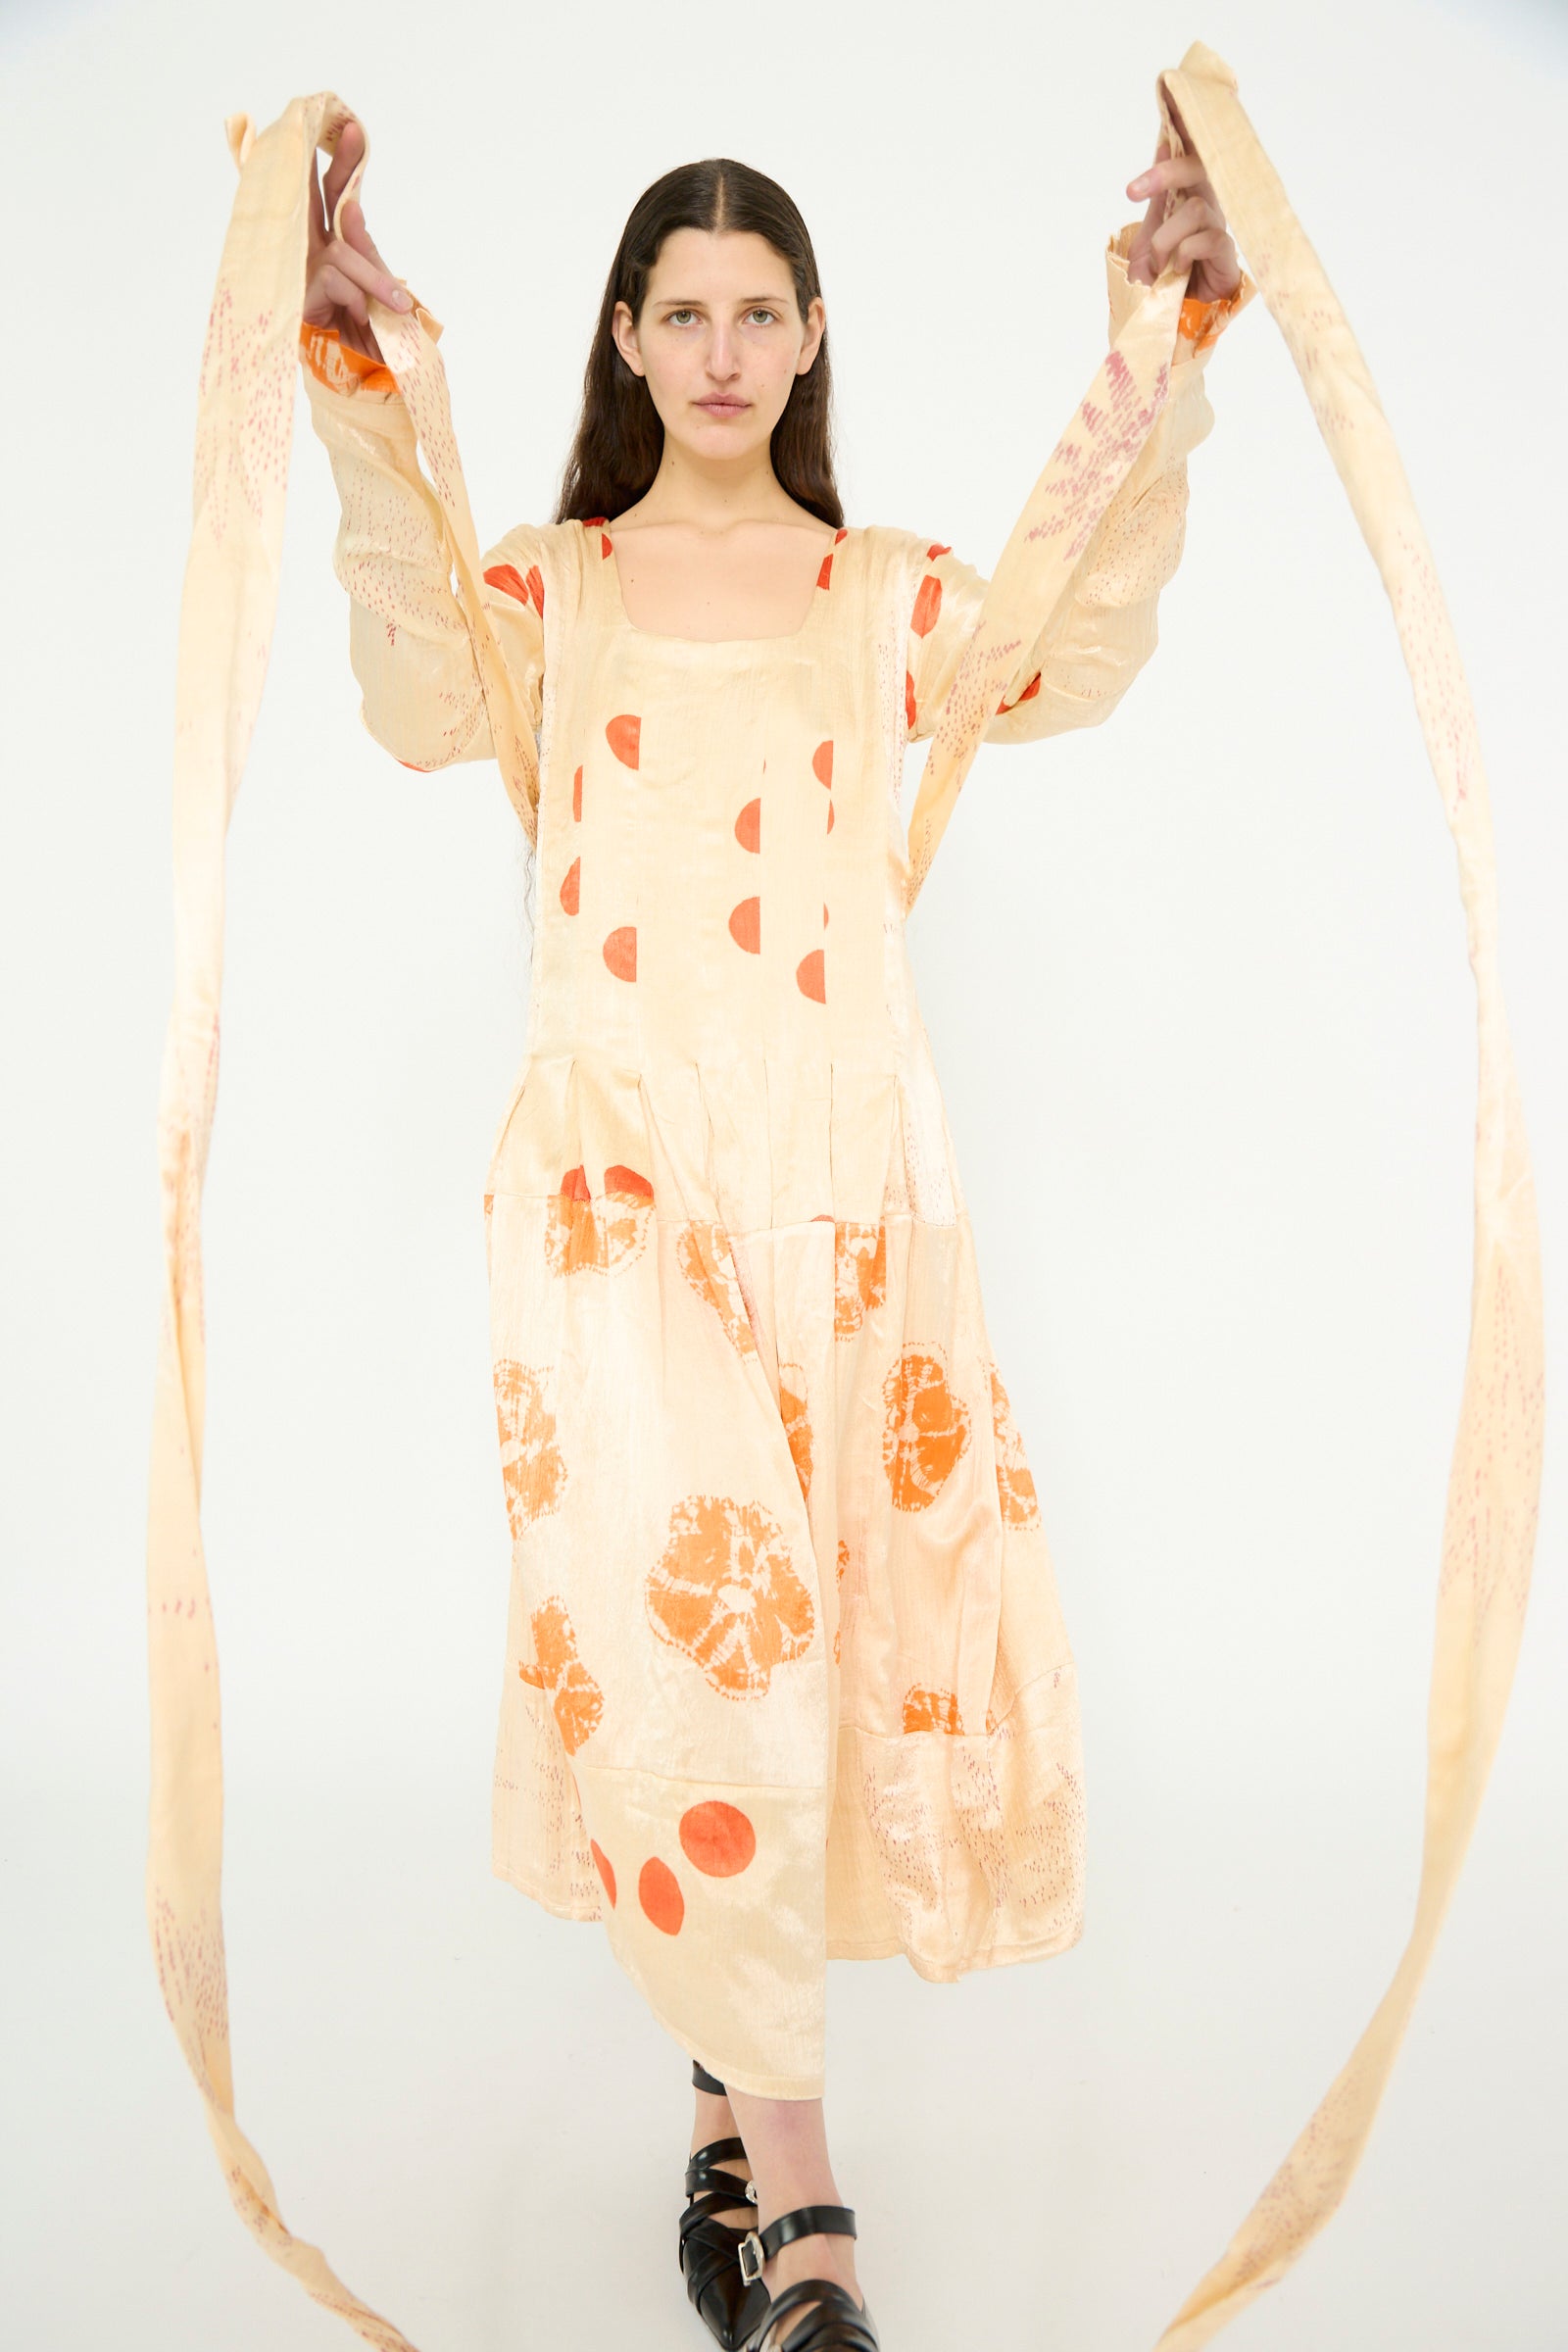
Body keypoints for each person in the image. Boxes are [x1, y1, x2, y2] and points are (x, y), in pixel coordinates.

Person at [297, 108, 1249, 2352]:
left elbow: (1063, 636)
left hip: (841, 1188)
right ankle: (805, 2203)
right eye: (682, 313)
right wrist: (357, 383)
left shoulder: (884, 597)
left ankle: (725, 2133)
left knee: (793, 1678)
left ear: (806, 339)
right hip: (615, 1194)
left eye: (758, 313)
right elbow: (416, 682)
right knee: (701, 1643)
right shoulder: (544, 586)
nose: (720, 350)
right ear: (626, 341)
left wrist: (1169, 334)